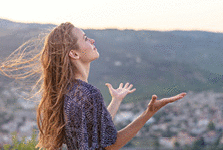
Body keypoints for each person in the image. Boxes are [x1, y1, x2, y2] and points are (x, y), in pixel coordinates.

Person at [0, 22, 186, 150]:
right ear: (74, 53)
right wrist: (149, 113)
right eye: (86, 38)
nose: (92, 41)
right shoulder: (88, 93)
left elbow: (95, 133)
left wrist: (115, 101)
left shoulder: (69, 91)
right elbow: (110, 145)